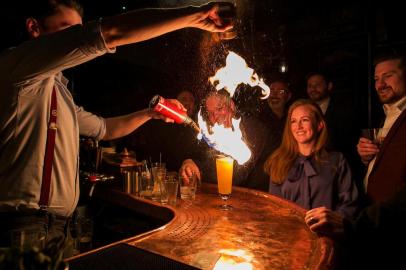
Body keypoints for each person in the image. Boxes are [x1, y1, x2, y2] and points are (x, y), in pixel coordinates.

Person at [0, 0, 233, 246]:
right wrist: (194, 16)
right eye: (69, 30)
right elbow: (110, 32)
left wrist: (150, 113)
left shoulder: (56, 90)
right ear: (34, 28)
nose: (76, 39)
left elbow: (105, 128)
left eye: (79, 30)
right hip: (24, 227)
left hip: (58, 228)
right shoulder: (17, 70)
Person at [264, 99, 359, 219]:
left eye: (305, 120)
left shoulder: (336, 160)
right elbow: (274, 207)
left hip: (327, 234)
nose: (298, 126)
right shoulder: (279, 162)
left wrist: (332, 222)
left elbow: (350, 204)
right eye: (293, 121)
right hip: (290, 234)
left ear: (319, 125)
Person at [179, 89, 270, 190]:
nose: (215, 116)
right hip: (229, 195)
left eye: (219, 109)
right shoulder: (217, 133)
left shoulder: (252, 128)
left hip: (258, 197)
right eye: (210, 113)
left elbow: (235, 175)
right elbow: (207, 159)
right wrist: (190, 163)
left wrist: (198, 167)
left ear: (231, 106)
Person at [357, 51, 406, 204]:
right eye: (376, 79)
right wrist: (367, 158)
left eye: (388, 76)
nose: (380, 84)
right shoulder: (387, 115)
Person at [306, 71, 363, 194]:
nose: (313, 89)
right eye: (310, 86)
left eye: (317, 85)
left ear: (329, 86)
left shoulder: (344, 110)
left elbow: (349, 141)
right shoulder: (304, 111)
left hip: (338, 170)